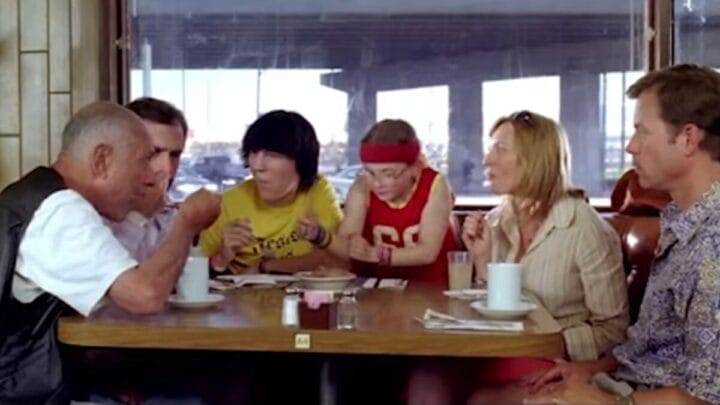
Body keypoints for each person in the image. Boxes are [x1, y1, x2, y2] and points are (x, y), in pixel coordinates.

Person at [522, 64, 720, 405]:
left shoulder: (714, 243)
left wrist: (607, 402)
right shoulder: (681, 221)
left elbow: (704, 396)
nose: (631, 147)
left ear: (688, 138)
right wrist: (589, 369)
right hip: (630, 386)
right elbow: (651, 351)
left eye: (642, 132)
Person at [0, 101, 220, 404]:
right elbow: (144, 296)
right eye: (144, 161)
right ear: (102, 160)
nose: (150, 177)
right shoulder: (60, 210)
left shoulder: (39, 195)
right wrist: (187, 223)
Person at [408, 111, 629, 405]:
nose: (486, 160)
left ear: (534, 159)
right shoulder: (497, 220)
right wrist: (482, 260)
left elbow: (614, 331)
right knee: (426, 380)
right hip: (494, 350)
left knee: (483, 400)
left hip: (555, 360)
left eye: (500, 149)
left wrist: (550, 340)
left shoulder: (586, 230)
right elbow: (488, 307)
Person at [306, 119, 458, 286]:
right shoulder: (362, 187)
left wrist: (375, 255)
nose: (377, 183)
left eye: (388, 174)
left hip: (432, 288)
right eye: (370, 172)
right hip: (377, 288)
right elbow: (347, 248)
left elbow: (428, 252)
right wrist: (320, 236)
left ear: (415, 168)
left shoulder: (435, 185)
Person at [200, 110, 345, 274]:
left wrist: (265, 267)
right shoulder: (230, 202)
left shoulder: (318, 190)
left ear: (301, 161)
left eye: (272, 155)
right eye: (253, 153)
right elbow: (191, 269)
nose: (257, 166)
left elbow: (336, 259)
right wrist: (221, 258)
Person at [104, 97, 189, 261]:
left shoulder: (170, 214)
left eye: (175, 155)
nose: (167, 168)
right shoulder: (90, 211)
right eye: (153, 153)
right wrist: (138, 217)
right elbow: (113, 273)